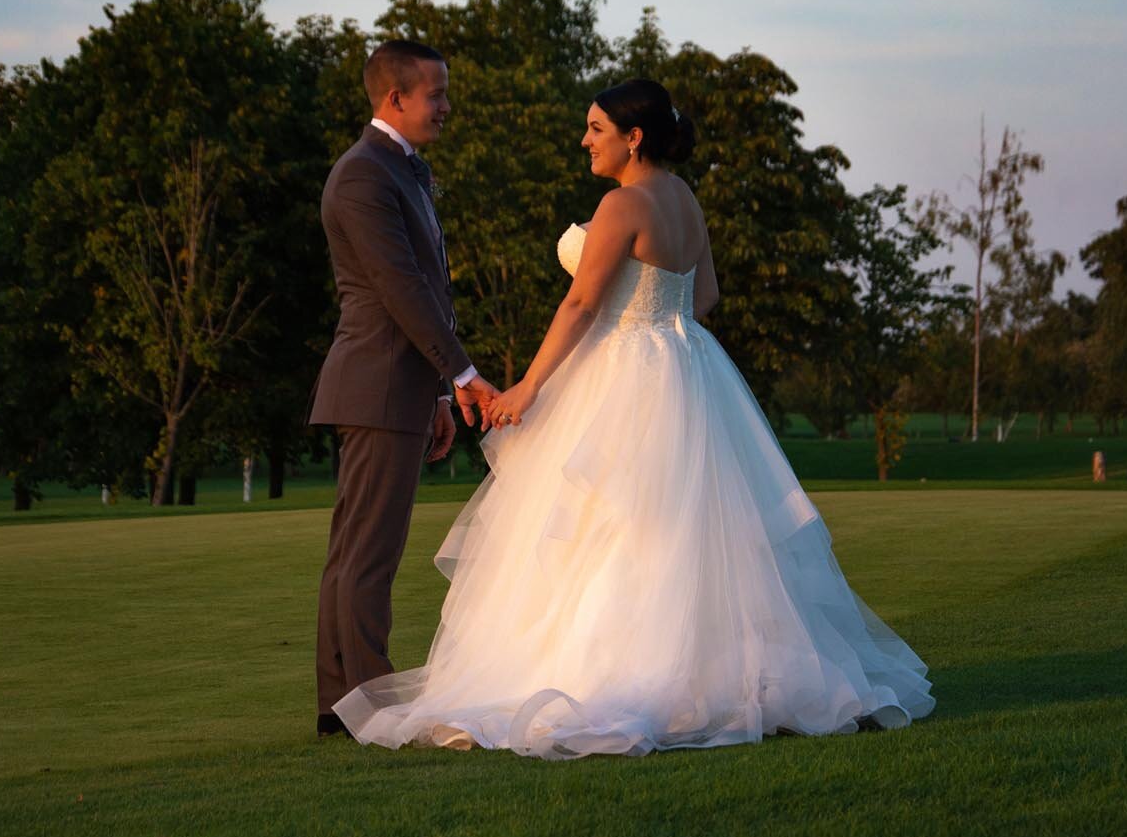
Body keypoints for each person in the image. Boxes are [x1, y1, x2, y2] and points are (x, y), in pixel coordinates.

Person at [333, 79, 934, 758]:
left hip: (624, 369)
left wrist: (530, 385)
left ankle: (618, 676)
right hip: (686, 365)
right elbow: (704, 295)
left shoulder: (622, 204)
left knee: (612, 522)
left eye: (595, 128)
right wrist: (658, 325)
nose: (585, 141)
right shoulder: (685, 199)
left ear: (633, 136)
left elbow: (581, 306)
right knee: (684, 523)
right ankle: (713, 677)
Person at [308, 40, 499, 738]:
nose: (447, 106)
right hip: (378, 382)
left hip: (400, 386)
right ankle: (366, 704)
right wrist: (465, 374)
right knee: (368, 553)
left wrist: (441, 396)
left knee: (356, 549)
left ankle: (341, 705)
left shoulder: (401, 170)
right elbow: (401, 289)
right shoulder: (364, 175)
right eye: (437, 94)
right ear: (396, 98)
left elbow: (427, 289)